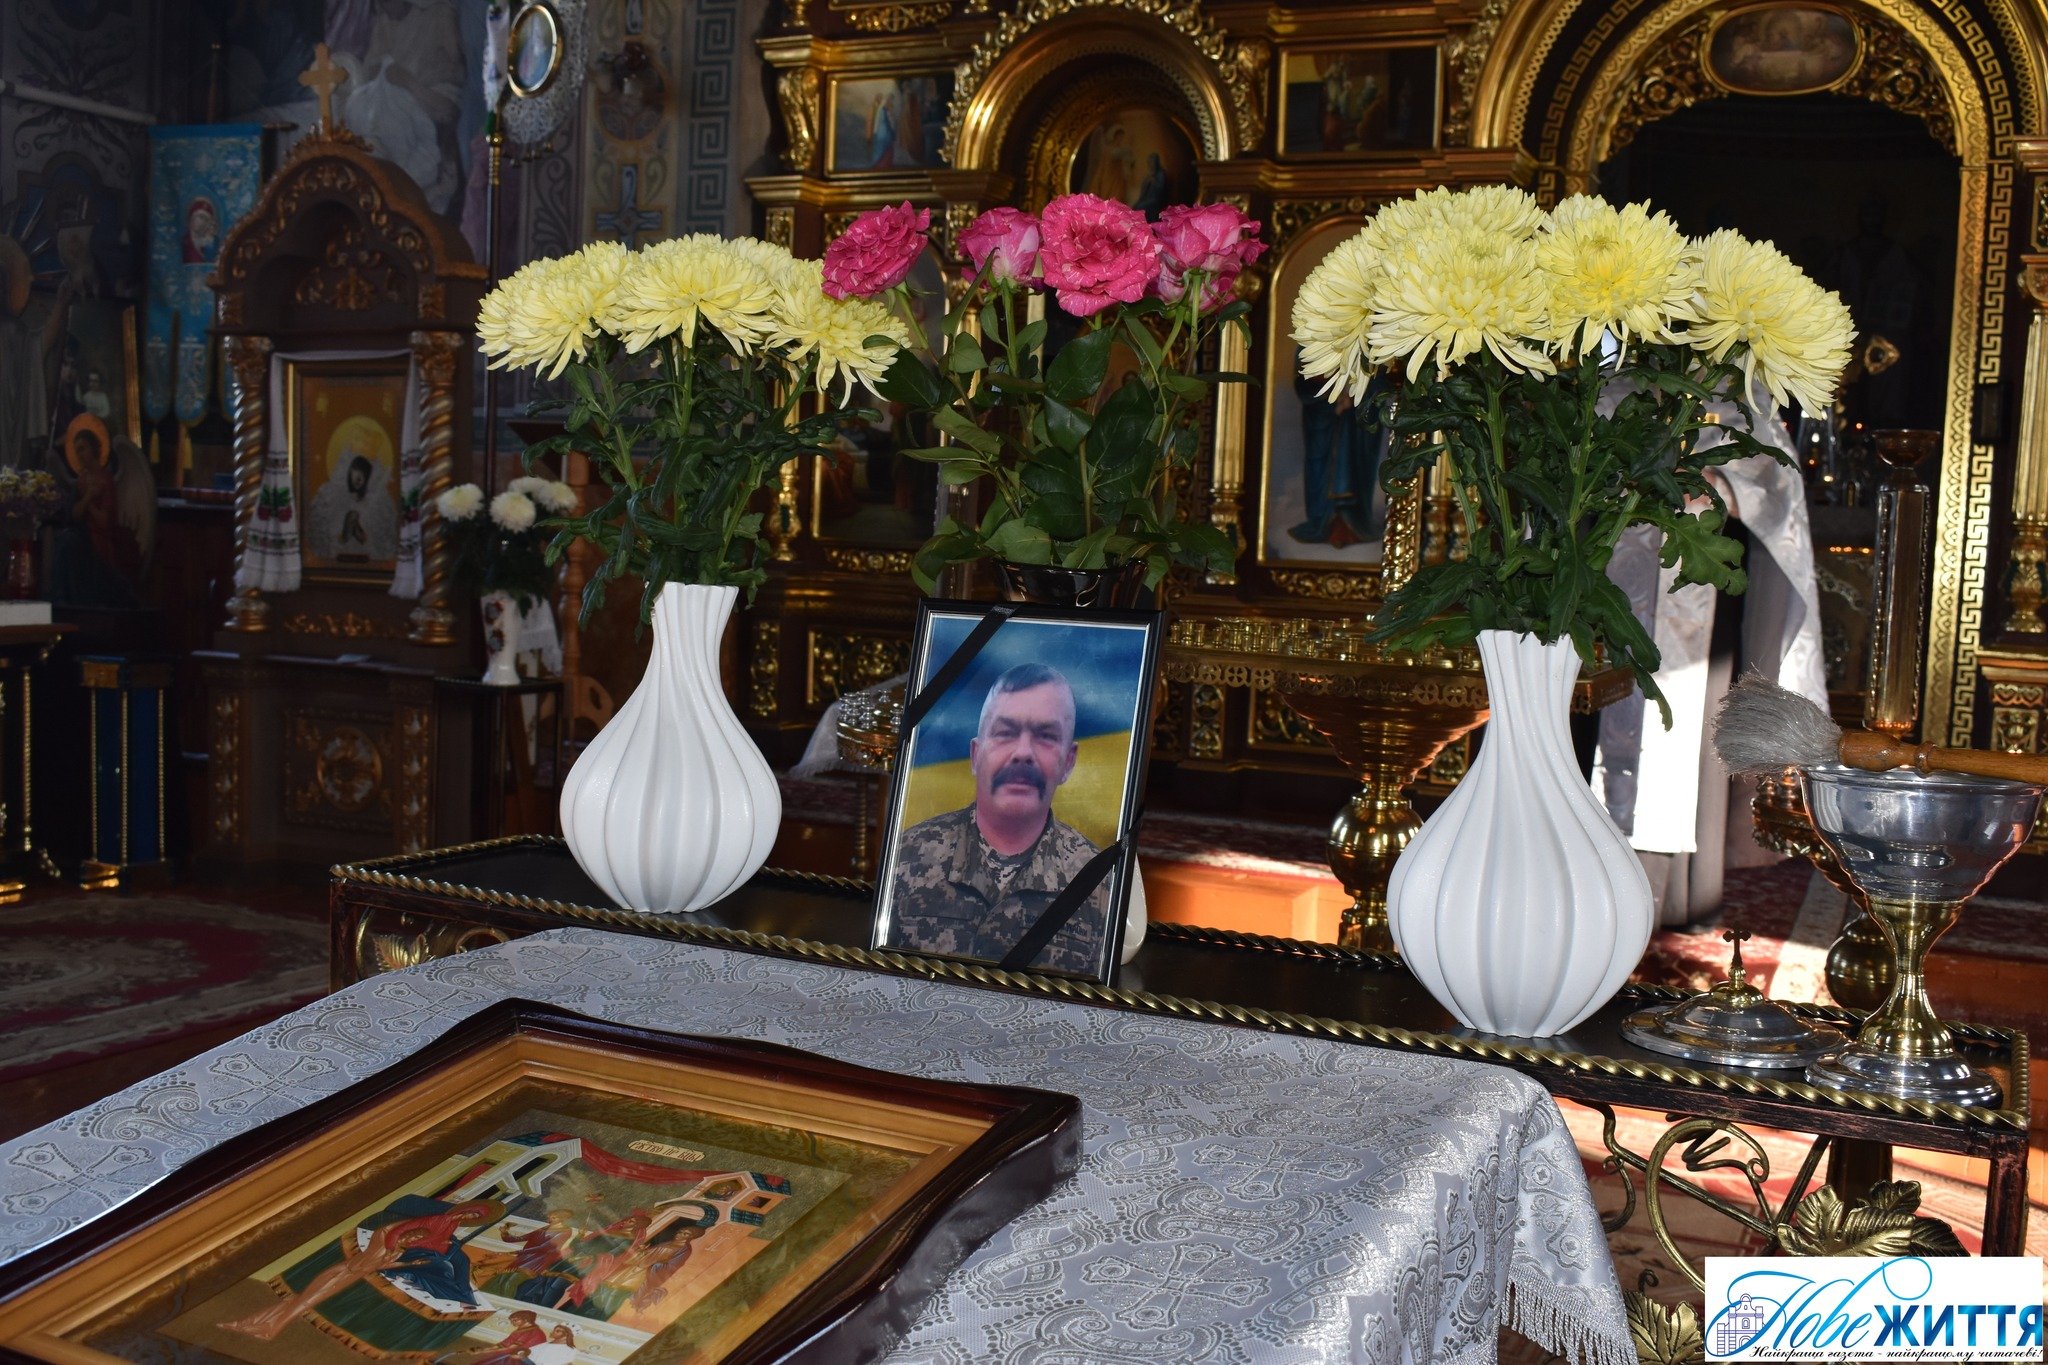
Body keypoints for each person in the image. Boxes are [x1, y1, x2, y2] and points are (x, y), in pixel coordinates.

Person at [888, 663, 1110, 974]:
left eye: (1046, 736)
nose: (1023, 752)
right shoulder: (906, 856)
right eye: (1005, 733)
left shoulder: (1100, 882)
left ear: (1068, 762)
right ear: (975, 755)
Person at [306, 451, 399, 563]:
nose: (358, 479)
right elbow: (327, 538)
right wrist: (345, 533)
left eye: (362, 476)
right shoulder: (334, 499)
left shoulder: (375, 503)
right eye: (355, 473)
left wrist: (360, 532)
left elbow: (380, 541)